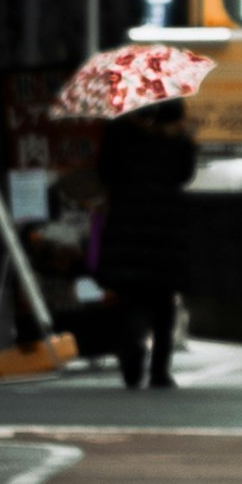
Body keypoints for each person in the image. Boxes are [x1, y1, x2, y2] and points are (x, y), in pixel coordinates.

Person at [93, 94, 196, 392]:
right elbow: (185, 175)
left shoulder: (120, 132)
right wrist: (185, 139)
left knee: (131, 297)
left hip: (127, 222)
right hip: (167, 227)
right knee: (164, 301)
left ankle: (133, 350)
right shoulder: (178, 140)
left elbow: (104, 173)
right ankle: (160, 371)